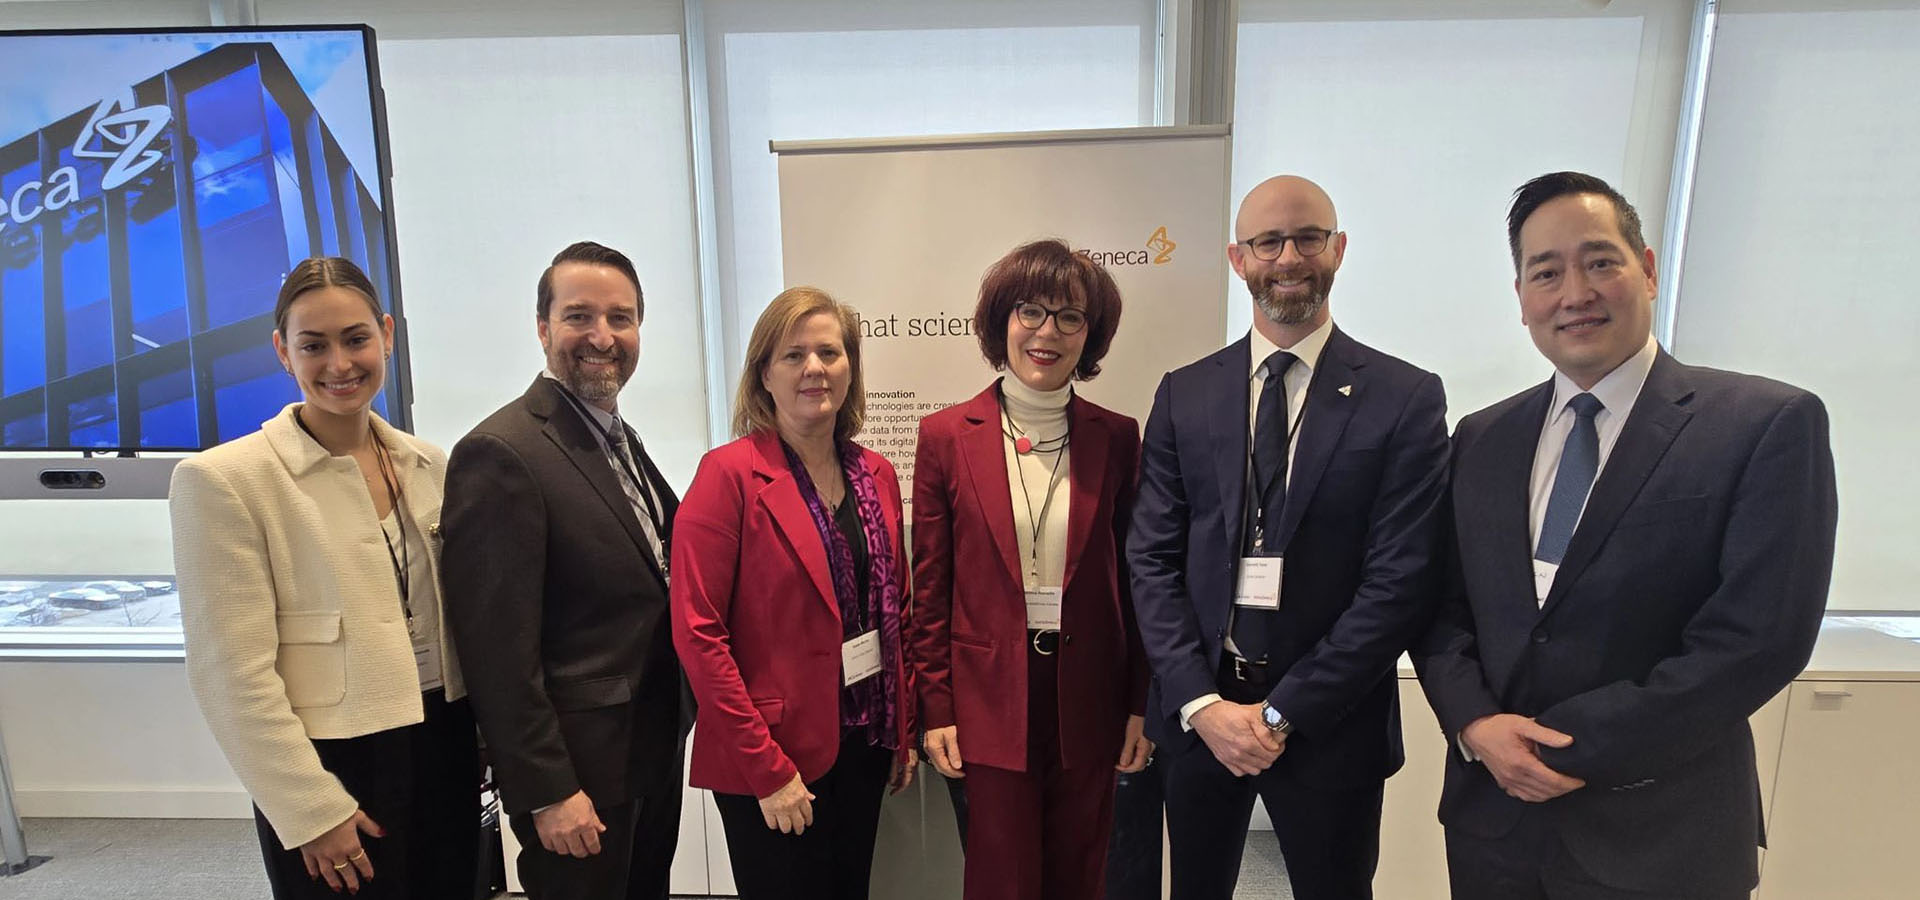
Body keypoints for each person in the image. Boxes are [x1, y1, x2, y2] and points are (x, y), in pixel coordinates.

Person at [1413, 171, 1838, 900]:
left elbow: (1759, 638)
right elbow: (1440, 607)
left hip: (1661, 836)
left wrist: (1567, 745)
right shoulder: (1481, 438)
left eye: (1599, 261)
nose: (1574, 292)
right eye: (1545, 272)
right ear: (1521, 300)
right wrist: (1476, 723)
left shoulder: (1763, 425)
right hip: (1496, 829)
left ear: (1645, 269)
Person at [1128, 175, 1451, 899]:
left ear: (1338, 250)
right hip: (1202, 714)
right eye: (1268, 241)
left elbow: (1400, 580)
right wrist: (1201, 704)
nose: (1289, 257)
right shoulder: (1185, 393)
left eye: (1308, 237)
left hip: (1332, 722)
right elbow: (1151, 559)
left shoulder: (1404, 398)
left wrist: (1283, 713)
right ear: (1238, 259)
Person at [171, 256, 476, 899]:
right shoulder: (227, 480)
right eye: (314, 345)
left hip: (441, 741)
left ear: (387, 336)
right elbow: (229, 673)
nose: (339, 364)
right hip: (333, 759)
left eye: (356, 338)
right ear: (283, 351)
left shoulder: (428, 465)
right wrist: (308, 808)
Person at [440, 241, 691, 900]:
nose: (602, 336)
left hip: (646, 749)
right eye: (580, 316)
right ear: (543, 327)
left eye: (621, 317)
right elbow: (496, 652)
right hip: (577, 774)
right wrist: (547, 790)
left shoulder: (617, 438)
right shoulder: (502, 453)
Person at [909, 238, 1152, 900]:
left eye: (1070, 316)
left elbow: (1139, 586)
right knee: (1001, 880)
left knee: (1082, 873)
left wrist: (1139, 704)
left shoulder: (1118, 436)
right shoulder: (944, 437)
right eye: (1031, 311)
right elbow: (929, 592)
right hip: (988, 700)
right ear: (1002, 322)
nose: (1048, 332)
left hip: (1090, 697)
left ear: (1090, 334)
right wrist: (937, 708)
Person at [672, 286, 916, 900]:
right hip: (774, 756)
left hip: (860, 743)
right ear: (764, 375)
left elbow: (898, 612)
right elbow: (697, 633)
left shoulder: (876, 475)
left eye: (830, 353)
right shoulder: (728, 475)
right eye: (793, 354)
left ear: (850, 368)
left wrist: (899, 728)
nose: (814, 368)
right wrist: (766, 769)